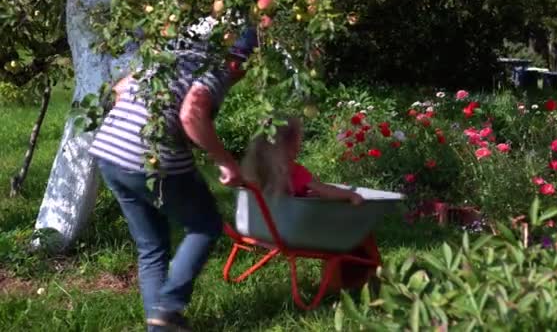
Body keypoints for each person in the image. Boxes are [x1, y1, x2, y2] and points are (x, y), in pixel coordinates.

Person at [89, 25, 257, 331]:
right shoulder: (216, 66)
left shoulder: (171, 53)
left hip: (109, 151)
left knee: (152, 247)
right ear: (238, 57)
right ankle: (168, 307)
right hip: (151, 158)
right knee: (205, 225)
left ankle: (160, 326)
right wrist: (227, 163)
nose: (243, 73)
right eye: (247, 64)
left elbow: (121, 88)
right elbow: (192, 113)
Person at [241, 117, 380, 291]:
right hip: (293, 234)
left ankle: (364, 276)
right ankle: (366, 278)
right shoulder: (294, 171)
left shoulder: (250, 172)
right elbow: (324, 189)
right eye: (299, 140)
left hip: (259, 230)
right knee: (357, 226)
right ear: (290, 145)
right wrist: (350, 195)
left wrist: (304, 195)